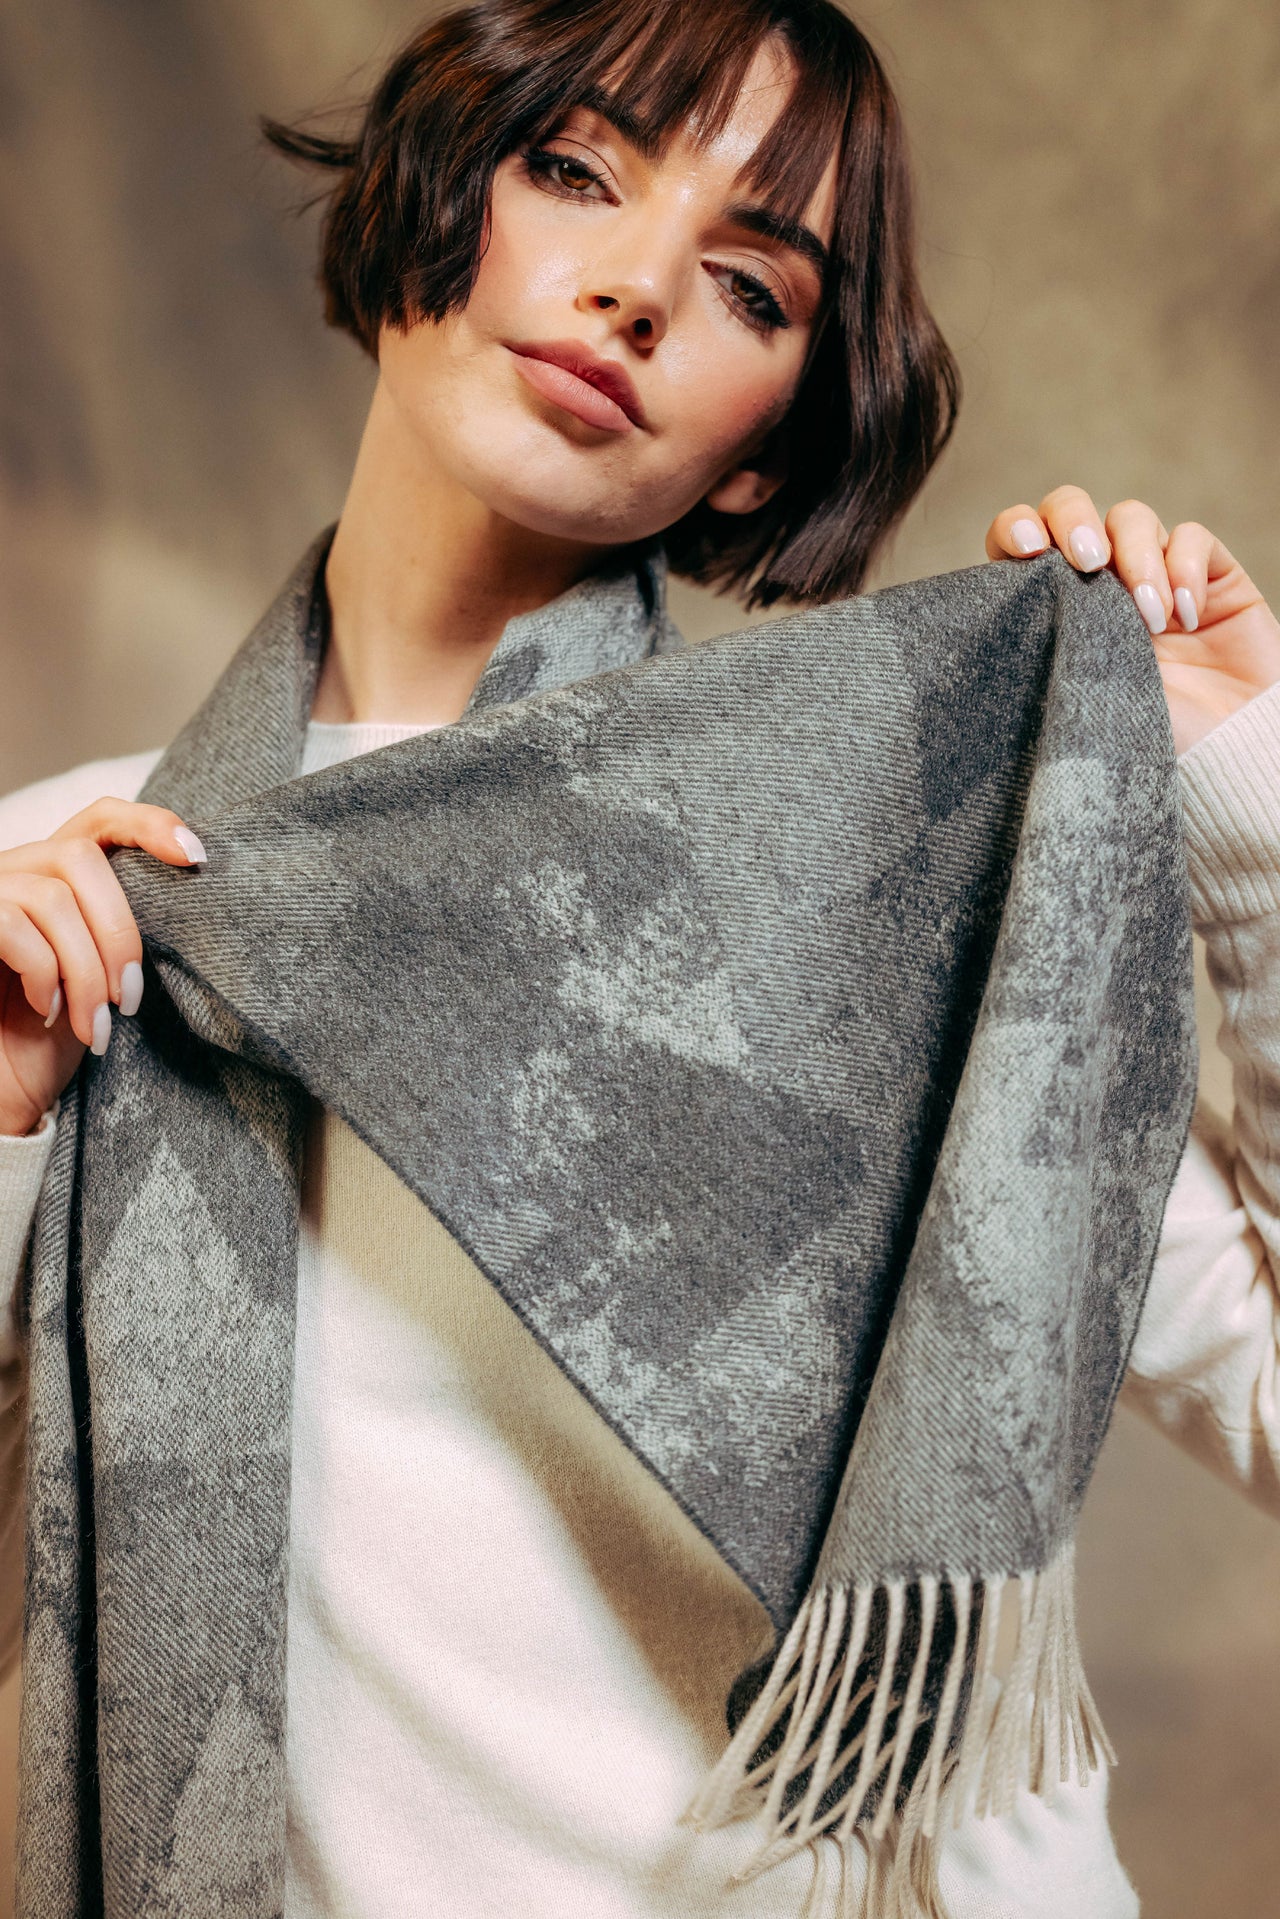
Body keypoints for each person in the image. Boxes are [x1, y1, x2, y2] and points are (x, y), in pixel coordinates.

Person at [1, 1, 1278, 1913]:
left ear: (769, 450)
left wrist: (1243, 803)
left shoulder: (853, 883)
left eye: (753, 288)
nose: (632, 294)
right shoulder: (75, 889)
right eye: (576, 170)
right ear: (441, 195)